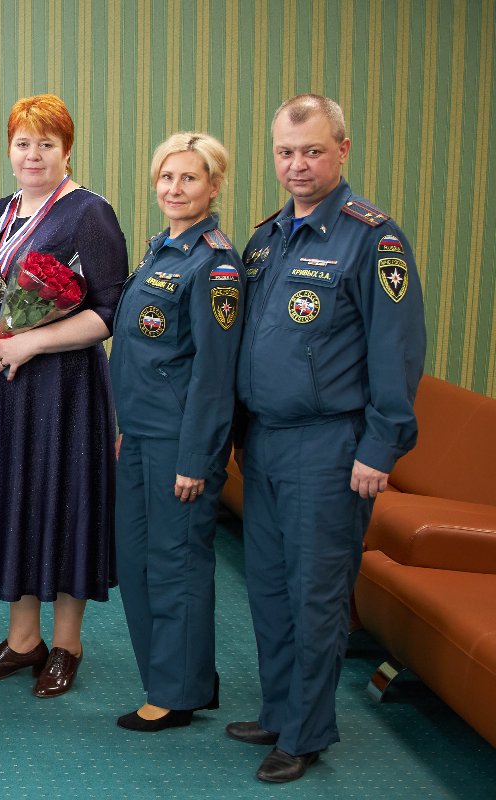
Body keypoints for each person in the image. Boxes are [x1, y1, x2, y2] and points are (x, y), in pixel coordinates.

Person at [229, 94, 424, 784]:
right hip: (268, 442)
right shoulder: (265, 239)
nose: (297, 164)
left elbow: (396, 350)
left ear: (342, 149)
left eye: (312, 150)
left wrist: (381, 445)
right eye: (286, 151)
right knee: (271, 592)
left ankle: (307, 733)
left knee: (315, 594)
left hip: (332, 446)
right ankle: (280, 710)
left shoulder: (373, 238)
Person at [0, 94, 127, 698]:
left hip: (65, 385)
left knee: (65, 501)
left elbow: (109, 312)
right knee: (15, 501)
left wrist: (35, 343)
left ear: (66, 150)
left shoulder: (88, 212)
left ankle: (68, 644)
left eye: (46, 144)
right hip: (5, 383)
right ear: (9, 149)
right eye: (23, 143)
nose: (33, 154)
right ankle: (24, 641)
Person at [110, 132, 241, 732]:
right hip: (141, 435)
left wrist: (195, 457)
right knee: (137, 562)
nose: (174, 189)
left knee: (174, 564)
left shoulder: (214, 266)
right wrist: (124, 427)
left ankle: (176, 694)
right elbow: (138, 353)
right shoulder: (161, 250)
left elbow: (214, 377)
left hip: (179, 446)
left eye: (189, 179)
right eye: (167, 177)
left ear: (214, 187)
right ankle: (187, 677)